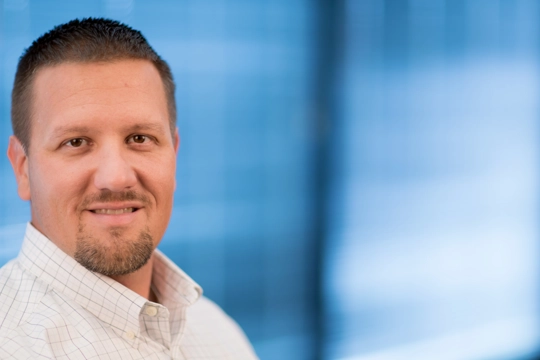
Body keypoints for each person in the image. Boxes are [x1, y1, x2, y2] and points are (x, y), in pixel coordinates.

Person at [0, 18, 258, 359]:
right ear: (22, 168)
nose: (116, 177)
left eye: (140, 139)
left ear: (174, 154)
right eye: (76, 142)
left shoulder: (219, 334)